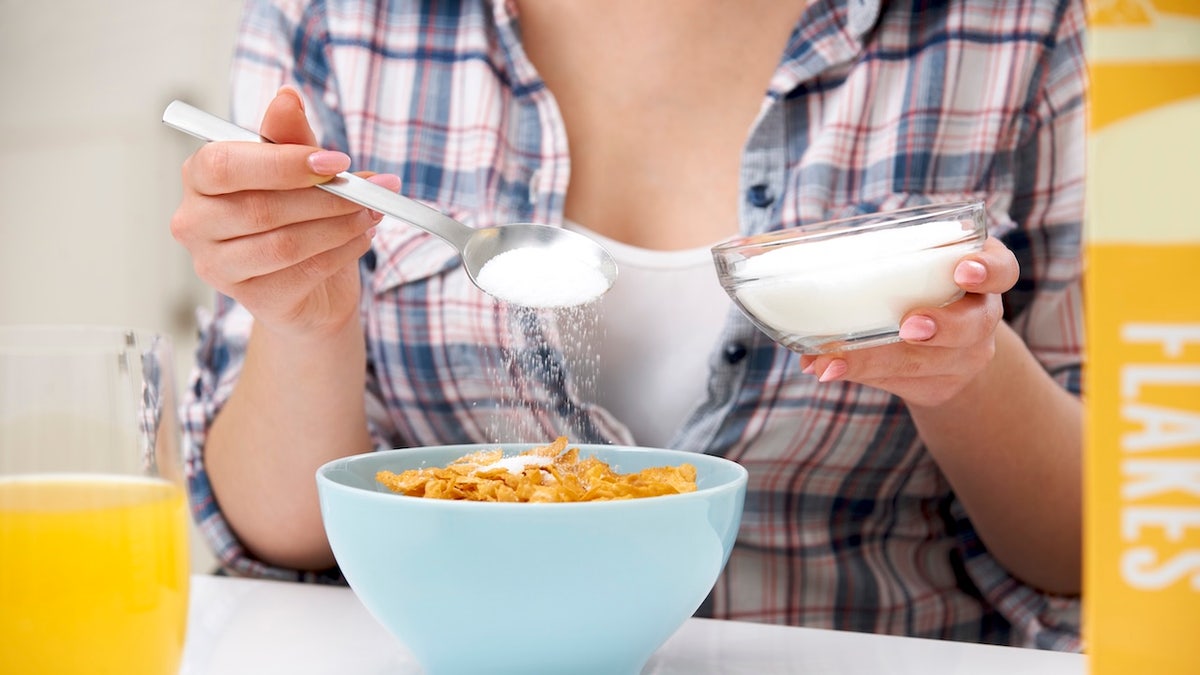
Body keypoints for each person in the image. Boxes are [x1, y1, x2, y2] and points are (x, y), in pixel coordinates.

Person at [172, 0, 1086, 650]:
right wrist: (304, 320)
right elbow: (276, 535)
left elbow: (1095, 543)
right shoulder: (342, 17)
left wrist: (968, 375)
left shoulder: (1025, 24)